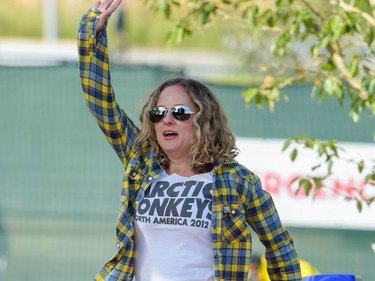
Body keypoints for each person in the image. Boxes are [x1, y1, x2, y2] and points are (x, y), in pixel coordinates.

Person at [77, 1, 302, 280]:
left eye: (180, 113)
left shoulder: (238, 182)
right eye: (159, 113)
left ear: (204, 120)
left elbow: (279, 245)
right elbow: (101, 104)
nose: (167, 120)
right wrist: (92, 34)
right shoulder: (142, 163)